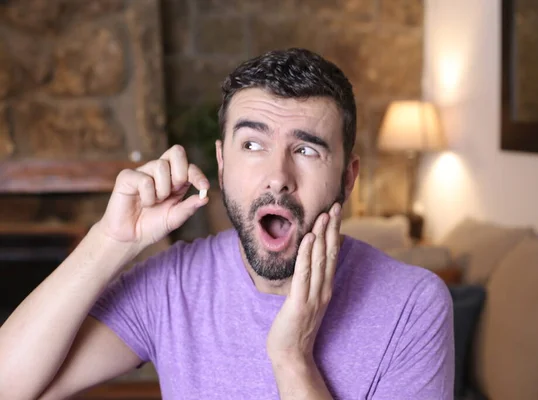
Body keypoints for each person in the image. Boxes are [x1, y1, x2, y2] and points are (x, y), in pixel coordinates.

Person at [0, 48, 454, 400]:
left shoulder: (413, 305)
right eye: (253, 145)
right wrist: (109, 240)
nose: (278, 175)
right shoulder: (174, 284)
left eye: (307, 150)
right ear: (221, 163)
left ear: (347, 178)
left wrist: (293, 359)